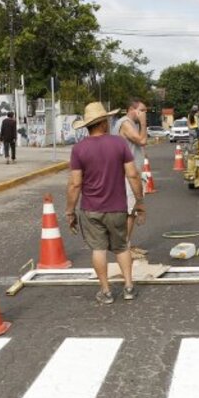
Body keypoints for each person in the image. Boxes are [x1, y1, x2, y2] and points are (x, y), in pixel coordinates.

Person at [65, 102, 145, 305]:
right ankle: (128, 287)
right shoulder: (119, 144)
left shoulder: (79, 149)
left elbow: (75, 184)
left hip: (91, 209)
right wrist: (140, 202)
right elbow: (133, 175)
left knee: (98, 250)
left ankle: (106, 291)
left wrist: (70, 211)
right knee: (121, 247)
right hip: (117, 207)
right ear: (102, 123)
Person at [113, 98, 149, 259]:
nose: (144, 114)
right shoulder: (125, 123)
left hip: (132, 172)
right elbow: (142, 140)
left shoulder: (131, 124)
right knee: (129, 211)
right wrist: (143, 123)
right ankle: (124, 248)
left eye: (145, 111)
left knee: (132, 211)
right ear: (131, 109)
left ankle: (127, 244)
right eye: (141, 110)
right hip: (127, 174)